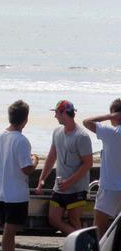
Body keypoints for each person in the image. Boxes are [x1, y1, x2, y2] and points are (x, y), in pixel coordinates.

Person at [36, 100, 93, 236]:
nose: (55, 116)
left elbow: (88, 163)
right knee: (53, 219)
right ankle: (80, 243)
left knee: (74, 219)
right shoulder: (57, 132)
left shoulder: (82, 136)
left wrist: (69, 182)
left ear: (64, 113)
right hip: (60, 187)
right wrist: (42, 179)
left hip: (76, 188)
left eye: (56, 113)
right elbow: (52, 156)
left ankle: (81, 247)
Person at [0, 100, 39, 251]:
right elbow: (26, 169)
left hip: (1, 191)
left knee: (9, 230)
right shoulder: (21, 140)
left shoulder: (0, 135)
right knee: (10, 230)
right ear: (25, 119)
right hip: (15, 192)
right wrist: (35, 160)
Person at [82, 98, 121, 238]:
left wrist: (110, 116)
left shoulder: (111, 133)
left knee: (99, 228)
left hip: (109, 188)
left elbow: (86, 122)